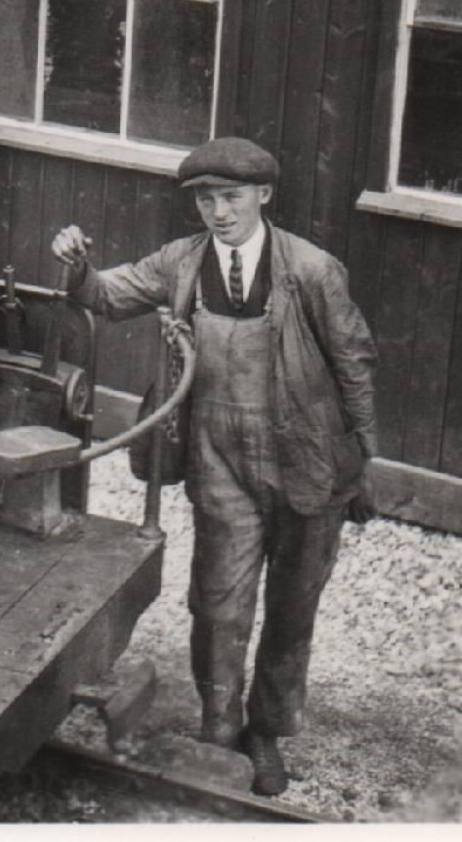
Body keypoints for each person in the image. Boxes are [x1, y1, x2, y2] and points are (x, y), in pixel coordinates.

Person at [49, 136, 378, 797]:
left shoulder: (312, 270)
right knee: (219, 604)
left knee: (292, 608)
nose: (218, 211)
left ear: (262, 195)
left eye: (230, 196)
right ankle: (219, 729)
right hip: (218, 458)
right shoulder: (181, 262)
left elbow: (354, 365)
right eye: (205, 198)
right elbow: (108, 296)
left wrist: (361, 464)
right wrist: (78, 269)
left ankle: (265, 728)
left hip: (308, 460)